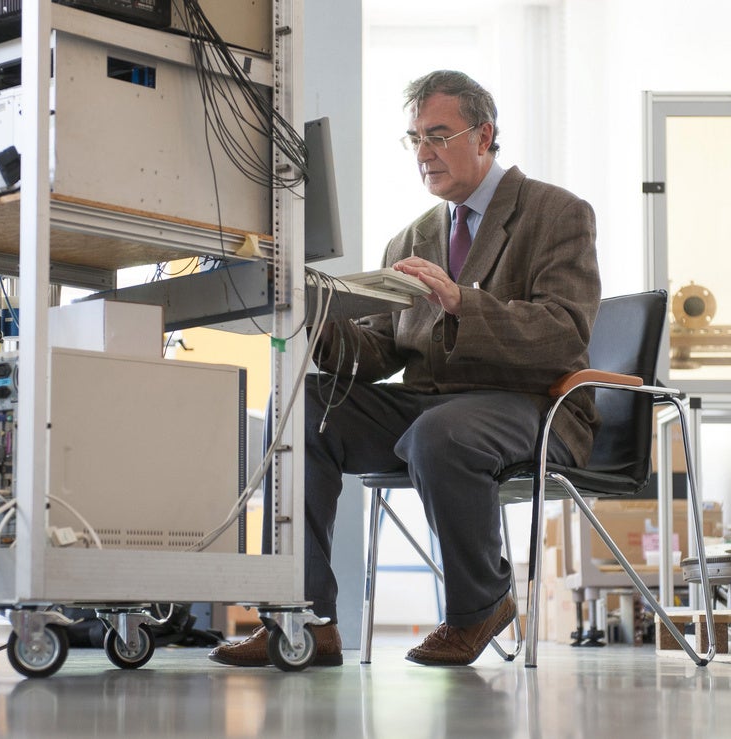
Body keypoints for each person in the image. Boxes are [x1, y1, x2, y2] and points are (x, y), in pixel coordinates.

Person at [210, 70, 601, 667]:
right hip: (432, 410)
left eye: (438, 135)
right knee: (303, 409)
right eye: (414, 138)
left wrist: (459, 301)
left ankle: (481, 605)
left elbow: (563, 333)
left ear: (484, 134)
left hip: (531, 405)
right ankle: (303, 619)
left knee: (440, 433)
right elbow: (376, 353)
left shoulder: (557, 213)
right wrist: (314, 318)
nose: (422, 153)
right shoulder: (411, 239)